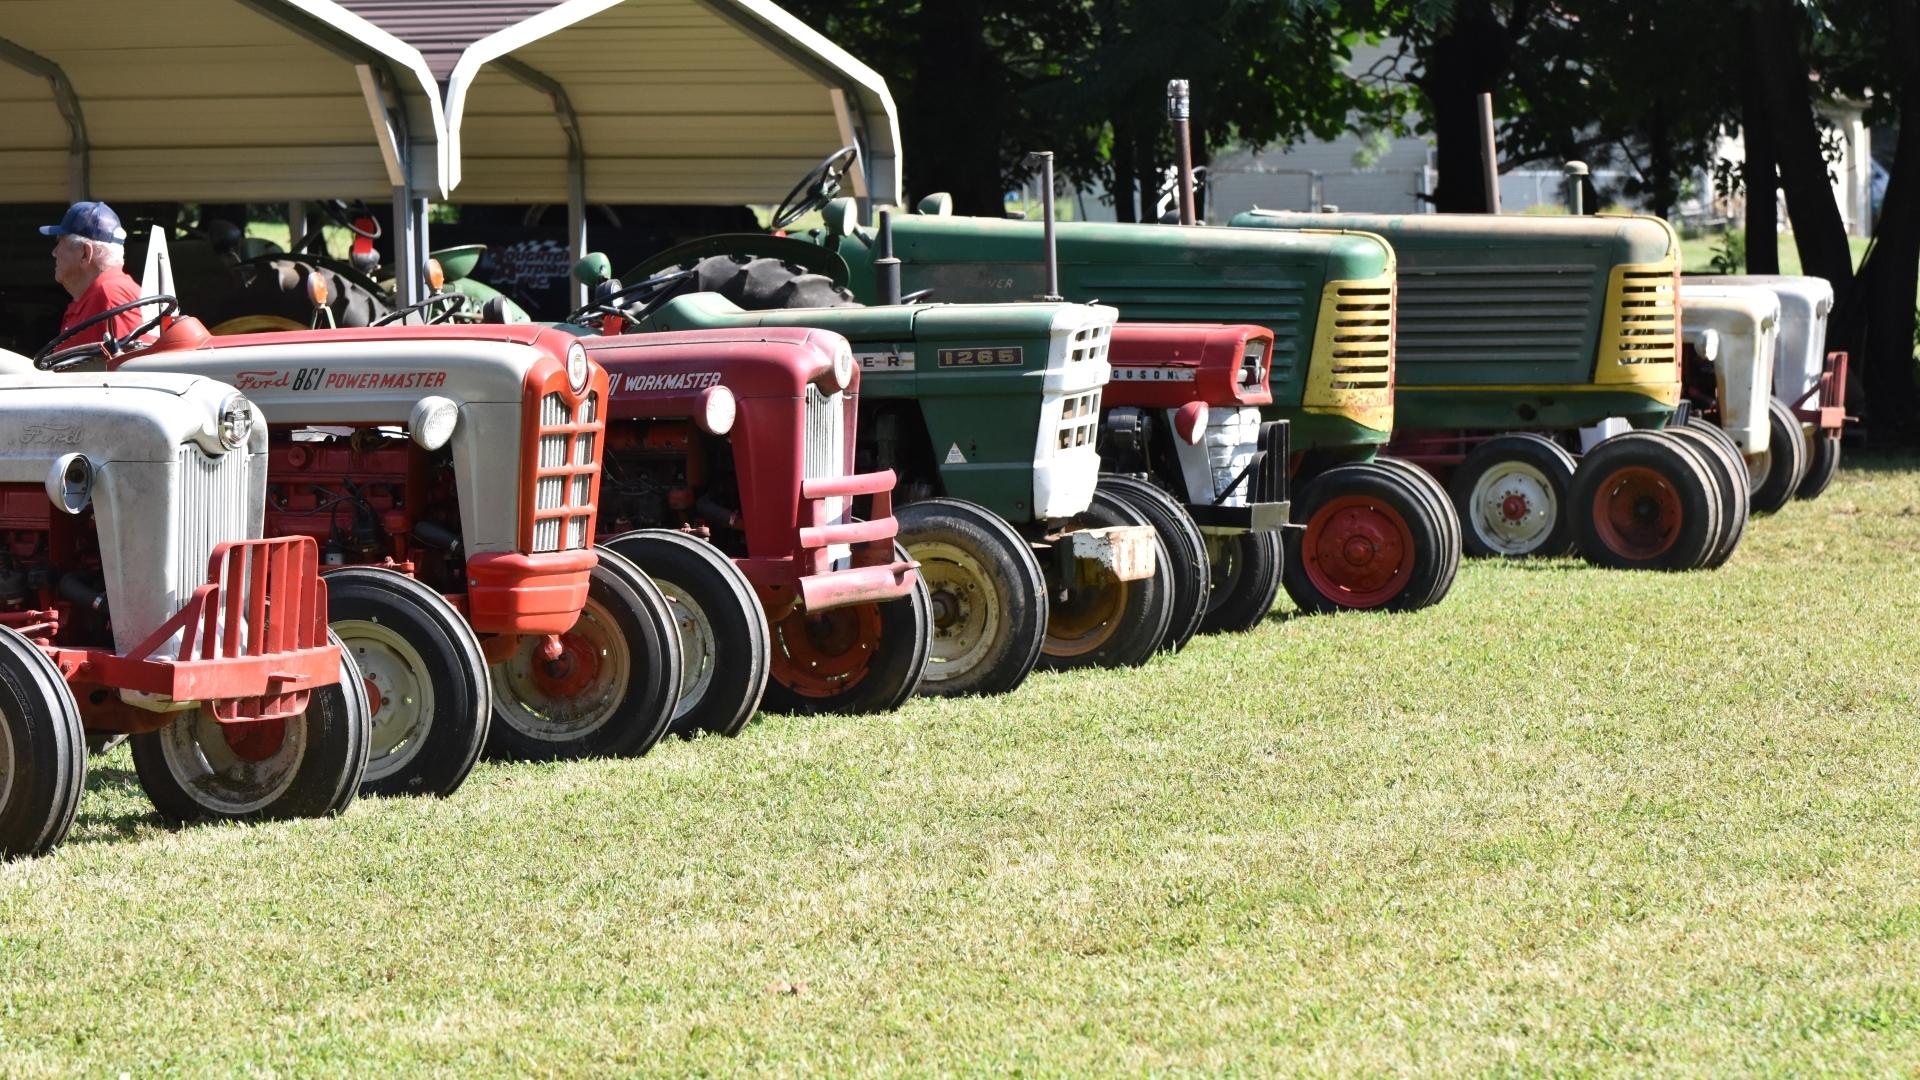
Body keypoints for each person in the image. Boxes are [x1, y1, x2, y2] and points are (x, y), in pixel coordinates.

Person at [43, 201, 142, 348]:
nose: (54, 252)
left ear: (85, 253)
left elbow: (131, 366)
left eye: (60, 243)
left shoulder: (111, 295)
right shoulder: (96, 297)